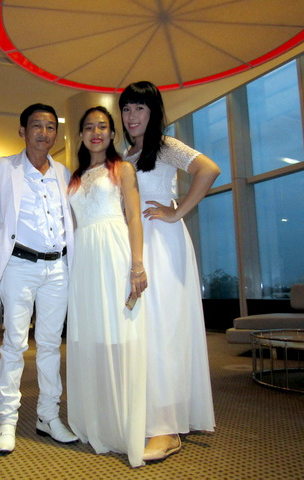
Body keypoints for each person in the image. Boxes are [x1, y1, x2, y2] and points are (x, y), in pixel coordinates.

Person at [119, 81, 219, 462]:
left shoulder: (164, 146)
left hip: (163, 242)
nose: (132, 116)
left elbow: (208, 169)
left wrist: (177, 212)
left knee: (164, 329)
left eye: (140, 108)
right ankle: (150, 414)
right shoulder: (127, 154)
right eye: (127, 108)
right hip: (137, 246)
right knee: (144, 330)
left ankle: (167, 428)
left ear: (154, 112)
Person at [0, 104, 78, 454]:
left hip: (58, 268)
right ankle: (7, 420)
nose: (44, 133)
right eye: (37, 126)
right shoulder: (2, 168)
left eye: (50, 127)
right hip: (19, 265)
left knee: (50, 344)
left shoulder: (64, 172)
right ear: (22, 131)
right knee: (14, 343)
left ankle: (48, 415)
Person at [66, 106, 148, 468]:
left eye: (102, 127)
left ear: (113, 134)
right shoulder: (75, 177)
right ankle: (96, 419)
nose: (96, 132)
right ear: (81, 135)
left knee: (118, 334)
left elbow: (134, 217)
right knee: (91, 336)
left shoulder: (122, 169)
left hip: (114, 253)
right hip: (84, 258)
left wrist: (137, 264)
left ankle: (123, 423)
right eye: (89, 127)